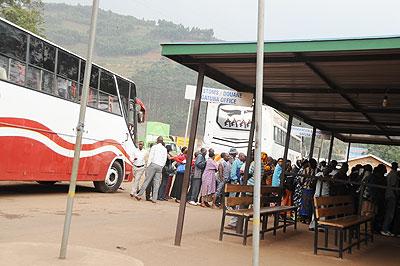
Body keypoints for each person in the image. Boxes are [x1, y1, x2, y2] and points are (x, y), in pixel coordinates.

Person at [133, 136, 167, 203]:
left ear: (157, 141)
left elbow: (151, 156)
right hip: (160, 166)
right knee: (157, 183)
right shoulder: (164, 149)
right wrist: (161, 166)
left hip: (153, 164)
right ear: (162, 141)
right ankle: (154, 198)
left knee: (147, 181)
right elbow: (164, 159)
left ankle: (139, 195)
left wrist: (148, 166)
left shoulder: (154, 147)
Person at [381, 162, 399, 236]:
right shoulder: (394, 174)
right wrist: (397, 195)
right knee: (390, 214)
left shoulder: (389, 174)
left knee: (388, 213)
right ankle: (385, 229)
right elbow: (394, 186)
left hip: (387, 194)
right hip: (392, 195)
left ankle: (385, 229)